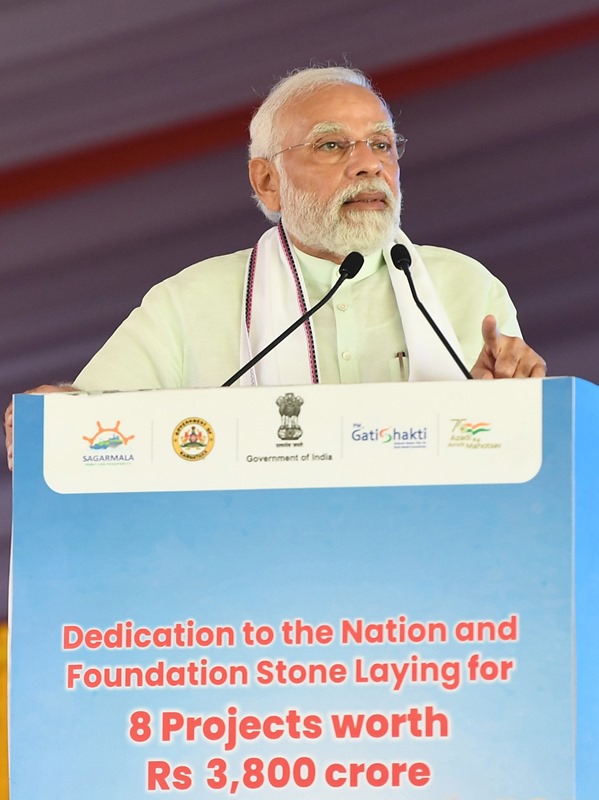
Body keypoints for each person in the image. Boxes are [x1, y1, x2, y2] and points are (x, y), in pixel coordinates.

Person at [3, 65, 545, 469]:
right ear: (267, 182)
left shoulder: (466, 290)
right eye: (332, 144)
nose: (369, 163)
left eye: (382, 144)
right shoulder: (190, 303)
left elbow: (517, 454)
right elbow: (87, 426)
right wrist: (43, 420)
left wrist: (514, 405)